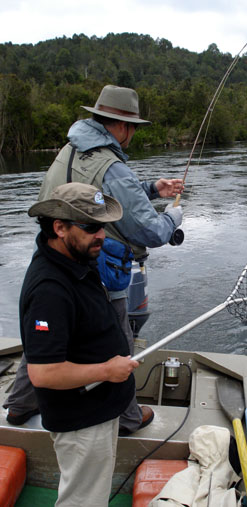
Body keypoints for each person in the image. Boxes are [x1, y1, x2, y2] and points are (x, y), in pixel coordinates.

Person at [4, 84, 184, 435]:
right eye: (133, 128)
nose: (132, 135)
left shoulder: (70, 149)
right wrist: (174, 219)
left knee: (44, 338)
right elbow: (149, 232)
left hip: (56, 256)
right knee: (116, 339)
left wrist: (151, 188)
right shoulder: (110, 164)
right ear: (123, 126)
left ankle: (18, 407)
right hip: (95, 268)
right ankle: (129, 418)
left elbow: (91, 193)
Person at [19, 182, 140, 506]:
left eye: (102, 225)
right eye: (90, 226)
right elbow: (43, 373)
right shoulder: (49, 290)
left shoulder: (76, 256)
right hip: (82, 420)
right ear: (59, 227)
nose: (100, 235)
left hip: (101, 408)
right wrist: (107, 369)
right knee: (83, 500)